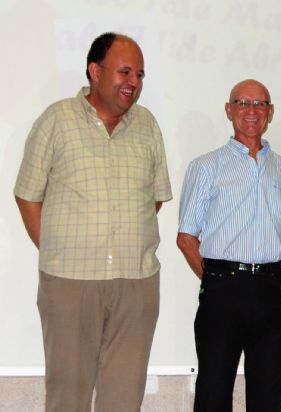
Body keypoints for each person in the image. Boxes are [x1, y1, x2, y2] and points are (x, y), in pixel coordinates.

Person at [13, 32, 172, 411]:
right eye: (125, 72)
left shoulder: (147, 125)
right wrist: (58, 249)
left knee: (124, 398)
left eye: (140, 75)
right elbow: (27, 195)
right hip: (70, 283)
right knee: (68, 395)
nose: (133, 82)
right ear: (95, 71)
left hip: (136, 282)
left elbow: (153, 198)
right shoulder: (57, 119)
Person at [177, 79, 281, 412]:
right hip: (222, 289)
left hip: (271, 288)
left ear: (270, 112)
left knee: (269, 395)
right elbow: (186, 238)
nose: (251, 111)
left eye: (259, 104)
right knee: (213, 392)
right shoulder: (206, 166)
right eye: (243, 103)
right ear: (229, 110)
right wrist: (214, 280)